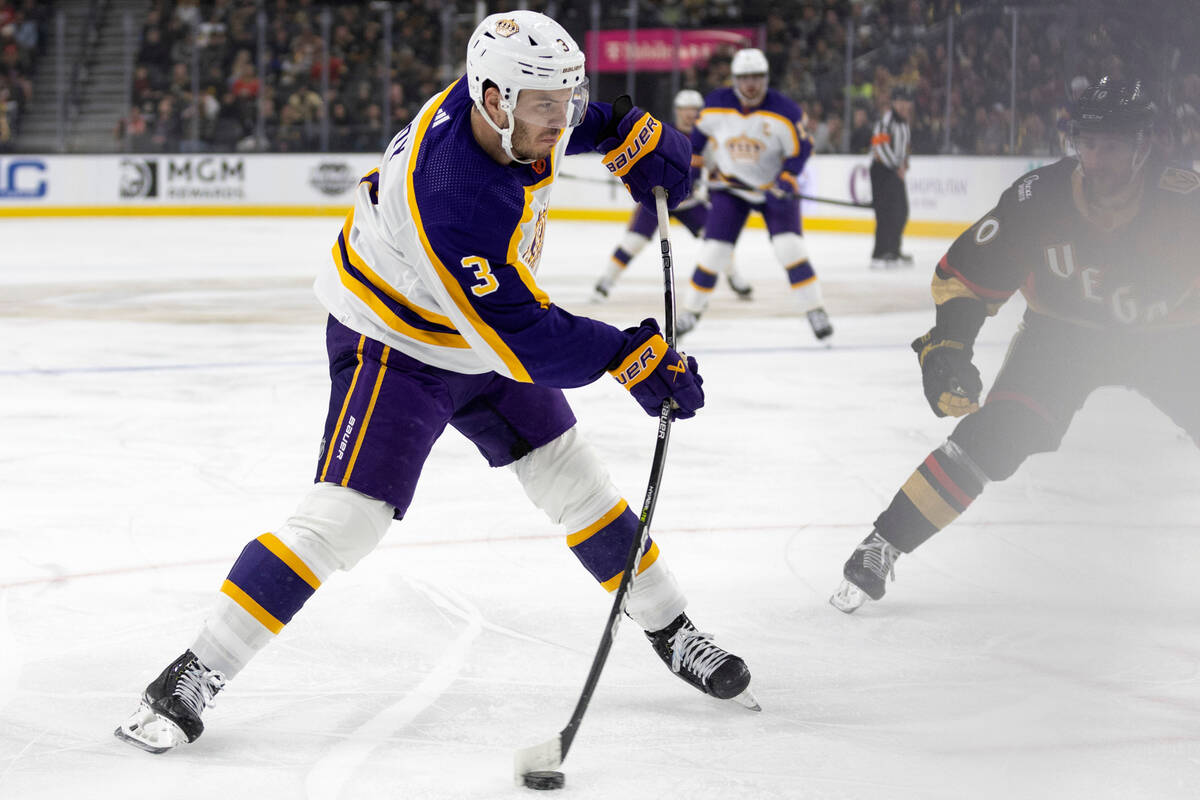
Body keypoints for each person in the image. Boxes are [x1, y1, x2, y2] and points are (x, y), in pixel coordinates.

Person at [115, 10, 757, 755]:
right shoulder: (451, 187)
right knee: (345, 520)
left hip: (476, 335)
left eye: (568, 99)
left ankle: (671, 626)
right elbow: (521, 338)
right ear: (491, 99)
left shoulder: (511, 112)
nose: (561, 120)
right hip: (395, 343)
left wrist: (623, 127)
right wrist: (629, 356)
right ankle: (196, 669)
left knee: (577, 484)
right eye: (546, 105)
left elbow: (568, 122)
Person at [830, 77, 1200, 613]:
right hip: (1064, 338)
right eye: (1088, 144)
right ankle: (882, 543)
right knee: (995, 435)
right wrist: (950, 348)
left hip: (1166, 340)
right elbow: (966, 276)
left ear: (1144, 145)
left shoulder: (1184, 203)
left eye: (1113, 146)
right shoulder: (1038, 199)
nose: (1097, 161)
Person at [677, 47, 832, 341]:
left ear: (766, 78)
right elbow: (695, 145)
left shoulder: (785, 111)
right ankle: (690, 312)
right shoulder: (715, 106)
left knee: (791, 249)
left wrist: (786, 178)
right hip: (730, 189)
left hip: (772, 189)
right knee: (714, 253)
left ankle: (815, 309)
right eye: (745, 77)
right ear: (734, 79)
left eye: (757, 77)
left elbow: (801, 150)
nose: (751, 84)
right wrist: (693, 176)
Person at [590, 89, 739, 302]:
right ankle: (606, 280)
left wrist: (714, 184)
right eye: (684, 110)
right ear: (677, 111)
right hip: (656, 201)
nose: (689, 115)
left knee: (717, 239)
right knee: (634, 241)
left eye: (694, 111)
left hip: (690, 201)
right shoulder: (662, 133)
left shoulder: (708, 141)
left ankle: (735, 277)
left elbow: (718, 172)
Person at [869, 86, 914, 269]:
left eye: (906, 103)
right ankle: (880, 253)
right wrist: (898, 166)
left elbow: (904, 148)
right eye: (901, 102)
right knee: (885, 213)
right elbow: (880, 148)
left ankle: (894, 250)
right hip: (882, 172)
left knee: (901, 211)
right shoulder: (885, 121)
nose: (904, 106)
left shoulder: (904, 123)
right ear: (894, 103)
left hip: (895, 172)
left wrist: (905, 163)